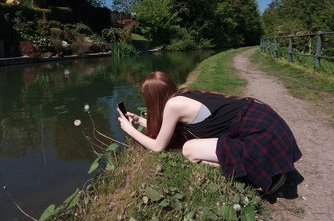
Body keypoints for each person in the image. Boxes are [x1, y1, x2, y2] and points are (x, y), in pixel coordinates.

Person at [117, 71, 302, 194]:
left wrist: (129, 129)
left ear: (153, 97)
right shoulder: (181, 96)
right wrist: (140, 121)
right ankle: (261, 166)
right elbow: (167, 130)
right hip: (267, 124)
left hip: (261, 137)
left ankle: (258, 173)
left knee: (189, 149)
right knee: (193, 148)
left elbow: (158, 146)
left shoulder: (173, 105)